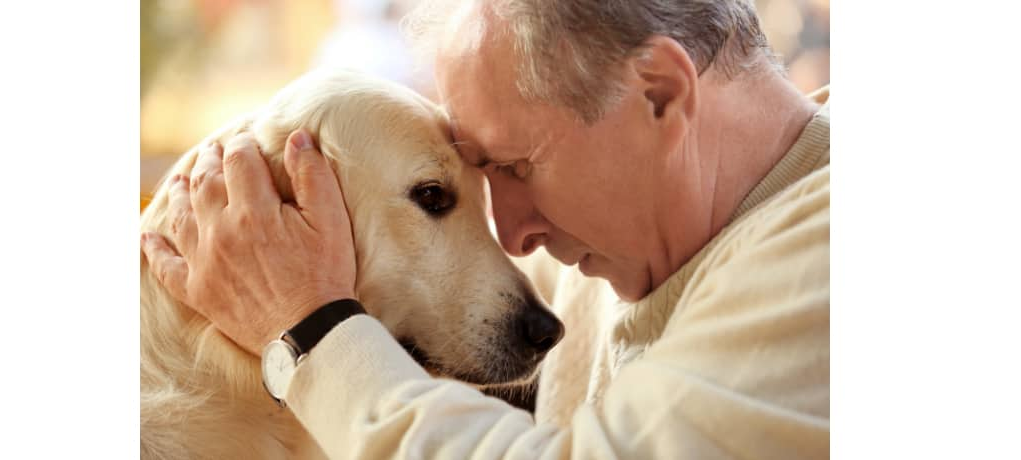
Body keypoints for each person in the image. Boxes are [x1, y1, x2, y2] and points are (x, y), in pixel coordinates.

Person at [140, 0, 830, 458]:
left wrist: (309, 331)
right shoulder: (624, 243)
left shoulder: (827, 249)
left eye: (518, 165)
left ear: (660, 94)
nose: (516, 232)